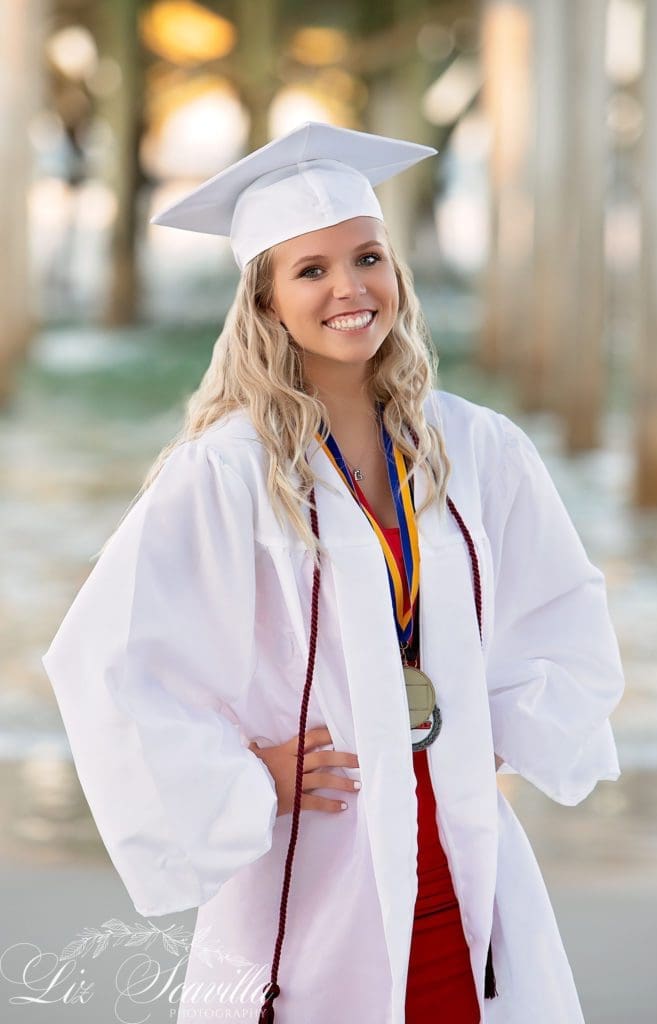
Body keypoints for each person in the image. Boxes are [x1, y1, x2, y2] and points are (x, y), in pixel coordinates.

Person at [41, 121, 625, 1024]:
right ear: (267, 301)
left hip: (460, 845)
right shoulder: (227, 471)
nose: (349, 289)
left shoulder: (474, 446)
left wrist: (496, 722)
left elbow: (563, 610)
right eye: (310, 271)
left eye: (368, 257)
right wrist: (248, 777)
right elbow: (107, 659)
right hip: (316, 865)